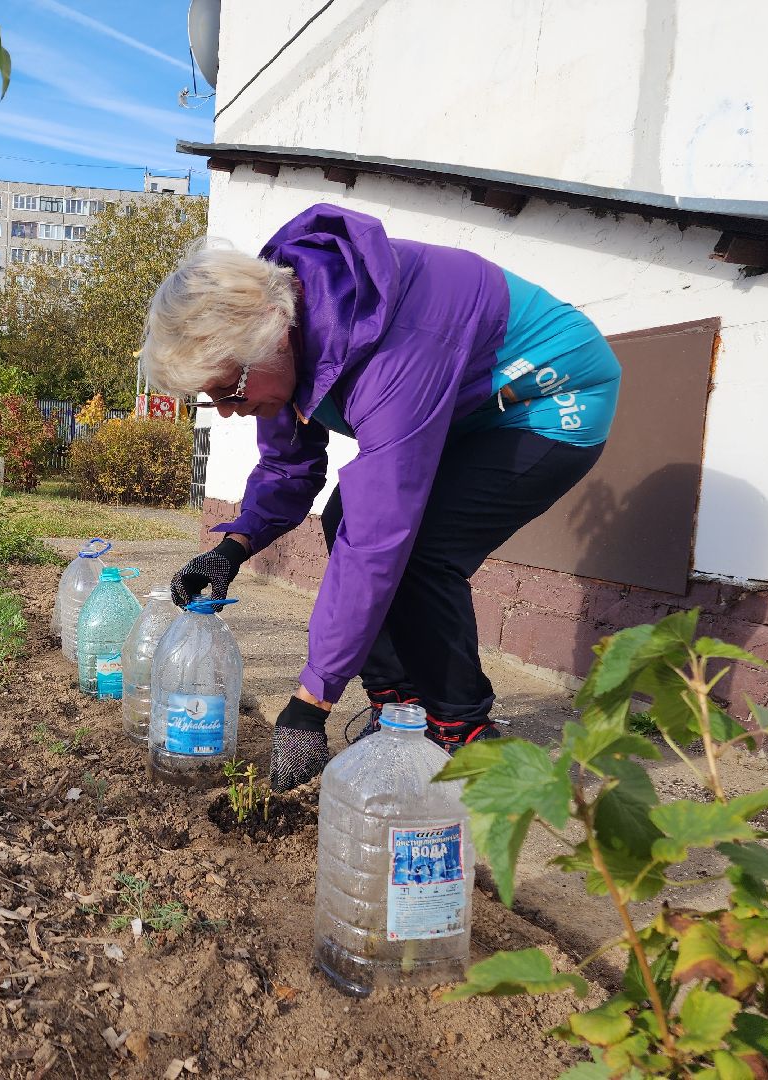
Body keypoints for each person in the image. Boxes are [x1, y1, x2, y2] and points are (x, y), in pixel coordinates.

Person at [140, 203, 620, 793]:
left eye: (229, 390)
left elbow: (378, 540)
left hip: (550, 399)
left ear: (270, 333)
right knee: (345, 512)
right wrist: (236, 545)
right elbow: (290, 463)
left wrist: (311, 701)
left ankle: (464, 733)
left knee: (422, 551)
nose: (232, 410)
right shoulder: (282, 341)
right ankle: (401, 708)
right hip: (469, 407)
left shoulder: (392, 346)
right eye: (214, 399)